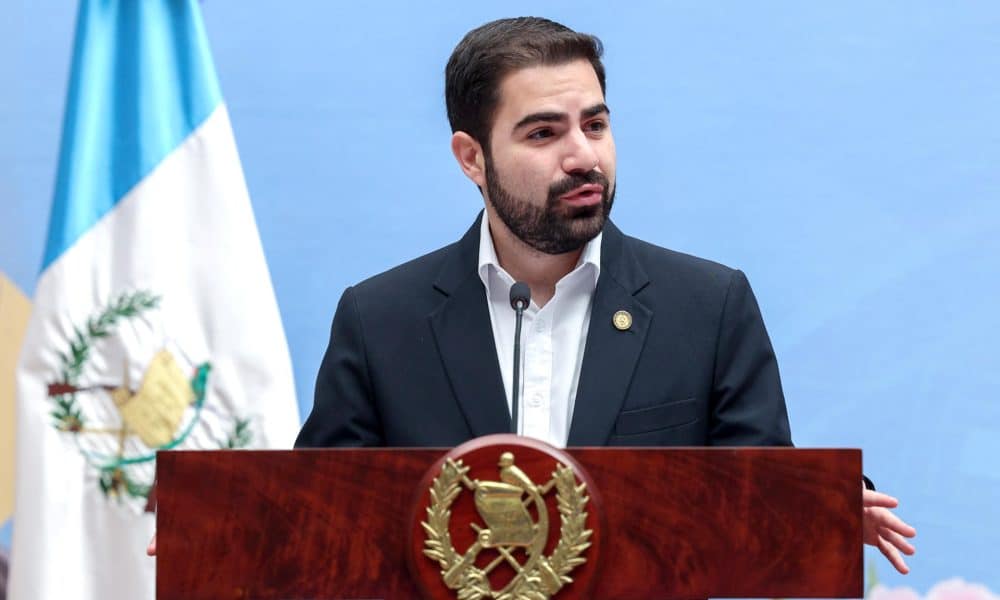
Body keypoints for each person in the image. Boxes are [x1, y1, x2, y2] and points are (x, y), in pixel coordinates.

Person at [155, 17, 917, 573]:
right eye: (544, 133)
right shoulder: (381, 320)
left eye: (595, 123)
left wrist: (820, 507)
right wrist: (231, 526)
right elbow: (324, 517)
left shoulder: (706, 306)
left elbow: (757, 491)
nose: (583, 154)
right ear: (471, 157)